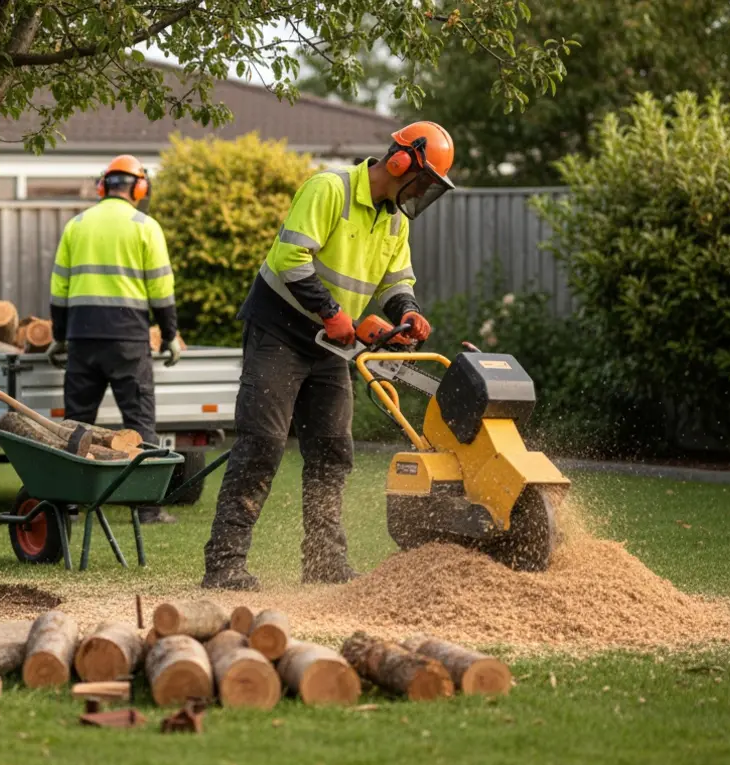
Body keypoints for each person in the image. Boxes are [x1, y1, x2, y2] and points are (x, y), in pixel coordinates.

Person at [201, 121, 455, 589]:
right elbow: (290, 258)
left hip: (332, 344)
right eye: (424, 181)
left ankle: (324, 562)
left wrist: (408, 311)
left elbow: (396, 281)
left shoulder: (394, 220)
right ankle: (224, 564)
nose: (424, 191)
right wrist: (332, 312)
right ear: (401, 161)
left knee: (333, 451)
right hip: (279, 331)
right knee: (262, 445)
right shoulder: (329, 189)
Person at [47, 154, 184, 525]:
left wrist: (59, 337)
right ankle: (147, 508)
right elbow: (161, 290)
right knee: (139, 422)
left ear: (102, 186)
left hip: (82, 339)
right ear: (139, 188)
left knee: (76, 424)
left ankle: (69, 505)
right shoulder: (145, 227)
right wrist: (169, 335)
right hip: (128, 342)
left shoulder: (77, 225)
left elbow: (59, 288)